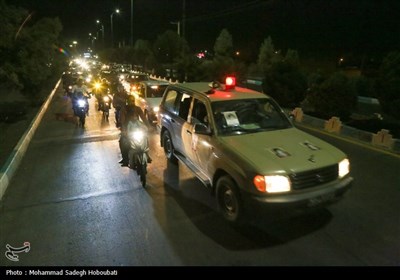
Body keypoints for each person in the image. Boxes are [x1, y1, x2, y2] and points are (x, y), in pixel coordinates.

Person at [118, 95, 152, 167]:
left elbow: (144, 118)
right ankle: (125, 159)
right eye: (130, 101)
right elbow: (122, 121)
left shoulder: (138, 109)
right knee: (123, 141)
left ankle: (147, 155)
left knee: (145, 138)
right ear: (127, 102)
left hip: (137, 128)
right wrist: (124, 130)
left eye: (133, 101)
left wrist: (148, 126)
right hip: (127, 129)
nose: (131, 102)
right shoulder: (124, 109)